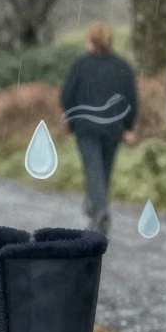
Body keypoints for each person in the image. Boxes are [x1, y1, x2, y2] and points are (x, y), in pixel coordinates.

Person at [60, 22, 138, 236]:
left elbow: (67, 95)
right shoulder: (122, 66)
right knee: (104, 170)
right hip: (114, 127)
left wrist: (70, 120)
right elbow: (131, 98)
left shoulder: (80, 65)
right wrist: (129, 126)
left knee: (93, 169)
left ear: (90, 41)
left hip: (86, 127)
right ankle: (97, 208)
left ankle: (99, 210)